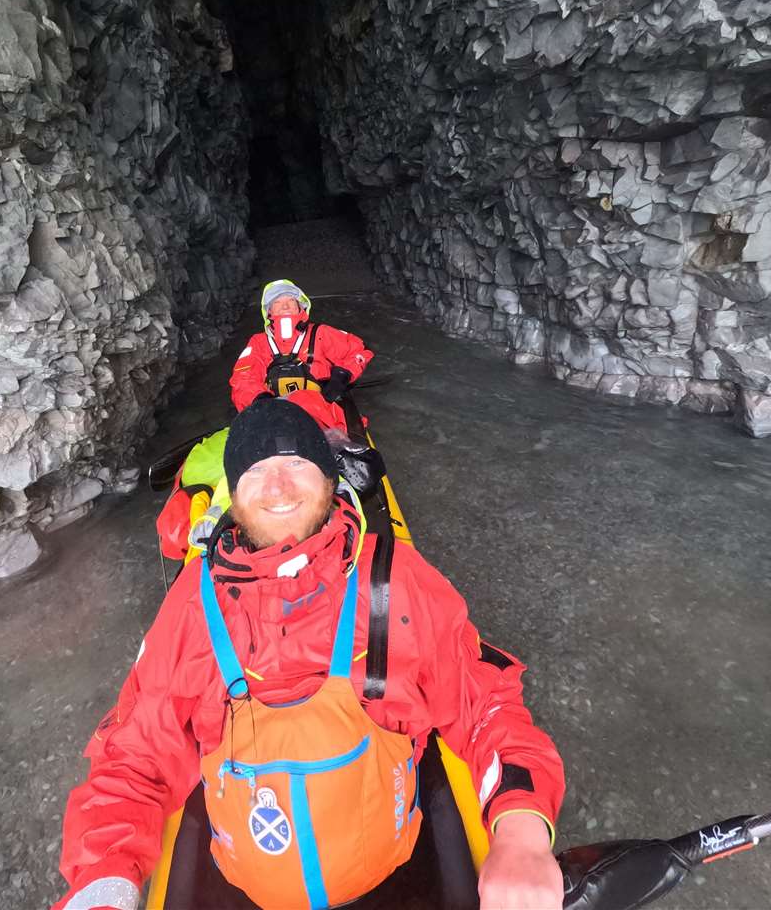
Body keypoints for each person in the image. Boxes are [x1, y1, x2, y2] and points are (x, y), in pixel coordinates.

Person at [57, 399, 565, 910]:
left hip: (387, 872)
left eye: (296, 463)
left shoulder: (393, 581)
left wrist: (521, 830)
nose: (277, 486)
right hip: (242, 886)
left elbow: (485, 702)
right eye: (256, 470)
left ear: (329, 481)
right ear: (233, 495)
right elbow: (133, 759)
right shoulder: (193, 605)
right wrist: (104, 884)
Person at [229, 280, 373, 411]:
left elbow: (360, 350)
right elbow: (243, 379)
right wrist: (260, 400)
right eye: (277, 302)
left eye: (291, 300)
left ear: (300, 306)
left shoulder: (320, 333)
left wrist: (341, 376)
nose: (285, 305)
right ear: (269, 311)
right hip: (275, 412)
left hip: (322, 408)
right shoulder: (258, 342)